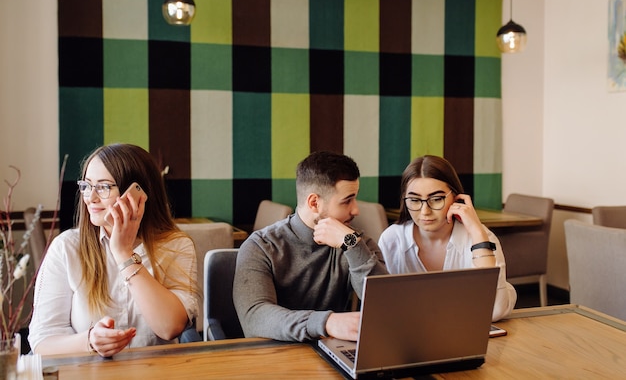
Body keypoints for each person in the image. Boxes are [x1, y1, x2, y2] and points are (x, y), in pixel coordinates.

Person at [29, 144, 199, 356]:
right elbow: (42, 340)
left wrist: (123, 254)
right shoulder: (66, 248)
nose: (90, 198)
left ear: (138, 194)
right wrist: (90, 341)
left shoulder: (176, 246)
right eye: (86, 186)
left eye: (103, 187)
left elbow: (169, 327)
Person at [233, 151, 387, 342]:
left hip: (331, 353)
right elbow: (255, 317)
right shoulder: (261, 246)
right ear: (314, 203)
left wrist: (353, 246)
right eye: (347, 200)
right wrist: (325, 322)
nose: (356, 209)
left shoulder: (353, 241)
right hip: (273, 355)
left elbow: (385, 305)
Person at [378, 155, 516, 322]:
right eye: (414, 200)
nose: (424, 211)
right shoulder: (392, 240)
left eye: (436, 199)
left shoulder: (481, 238)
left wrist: (477, 233)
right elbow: (382, 309)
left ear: (456, 197)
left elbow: (495, 311)